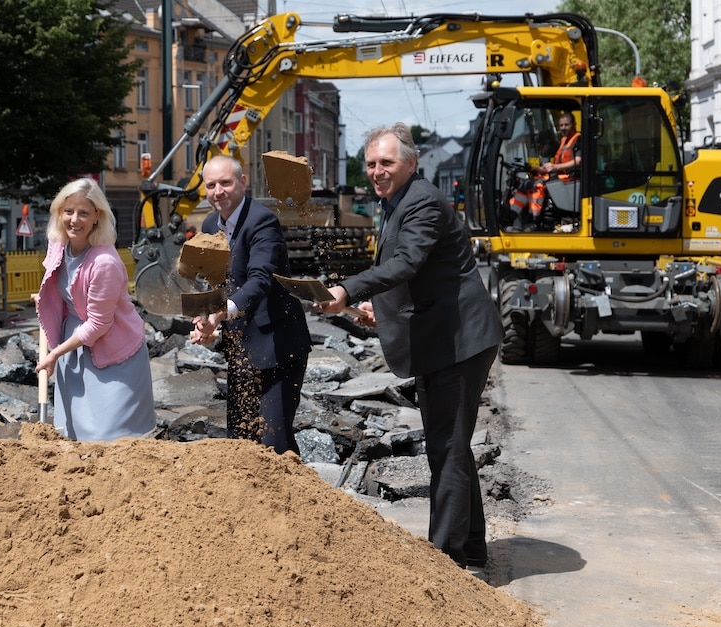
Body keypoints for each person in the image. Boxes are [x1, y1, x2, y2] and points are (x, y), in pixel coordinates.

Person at [317, 124, 503, 569]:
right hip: (445, 336)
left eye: (387, 162)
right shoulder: (397, 201)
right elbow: (421, 273)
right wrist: (378, 308)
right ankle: (471, 549)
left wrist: (346, 287)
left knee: (447, 447)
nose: (377, 172)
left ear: (411, 164)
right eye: (371, 164)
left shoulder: (420, 201)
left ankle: (446, 560)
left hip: (458, 341)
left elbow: (406, 262)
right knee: (451, 445)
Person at [191, 155, 312, 455]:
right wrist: (206, 321)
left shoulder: (262, 221)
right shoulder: (209, 223)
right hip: (241, 347)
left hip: (279, 348)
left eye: (225, 183)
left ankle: (294, 500)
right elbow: (215, 282)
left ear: (243, 182)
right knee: (240, 439)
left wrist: (219, 315)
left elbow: (260, 280)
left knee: (275, 441)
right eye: (211, 185)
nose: (218, 191)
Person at [34, 178, 156, 441]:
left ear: (97, 217)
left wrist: (55, 353)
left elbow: (99, 324)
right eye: (68, 211)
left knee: (110, 436)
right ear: (59, 213)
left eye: (83, 213)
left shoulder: (104, 263)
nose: (74, 220)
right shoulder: (59, 245)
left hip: (114, 351)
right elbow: (54, 284)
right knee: (75, 431)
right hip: (74, 347)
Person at [539, 112, 581, 181]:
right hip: (561, 177)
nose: (563, 128)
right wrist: (543, 169)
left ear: (574, 124)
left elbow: (578, 161)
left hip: (574, 180)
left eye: (566, 125)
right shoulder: (563, 140)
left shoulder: (579, 139)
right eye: (561, 125)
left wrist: (555, 167)